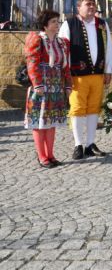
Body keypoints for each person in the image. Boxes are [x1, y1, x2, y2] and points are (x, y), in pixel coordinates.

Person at [58, 0, 112, 159]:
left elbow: (109, 47)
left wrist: (108, 69)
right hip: (77, 75)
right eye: (88, 4)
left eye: (93, 4)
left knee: (94, 108)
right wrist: (66, 73)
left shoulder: (102, 24)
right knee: (77, 108)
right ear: (78, 7)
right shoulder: (69, 24)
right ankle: (78, 144)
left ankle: (90, 143)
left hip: (97, 73)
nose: (91, 7)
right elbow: (63, 50)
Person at [24, 10, 72, 168]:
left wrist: (67, 84)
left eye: (57, 21)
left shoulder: (61, 42)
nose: (57, 24)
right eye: (53, 22)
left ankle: (50, 154)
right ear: (45, 25)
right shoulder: (37, 39)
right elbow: (32, 62)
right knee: (39, 122)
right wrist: (37, 83)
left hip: (56, 86)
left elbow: (65, 66)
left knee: (51, 122)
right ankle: (42, 156)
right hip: (42, 86)